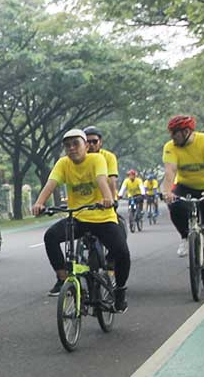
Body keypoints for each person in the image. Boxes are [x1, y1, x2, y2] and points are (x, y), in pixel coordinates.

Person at [31, 128, 130, 312]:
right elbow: (51, 184)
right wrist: (39, 203)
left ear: (86, 146)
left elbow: (102, 180)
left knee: (122, 252)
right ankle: (63, 280)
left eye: (76, 144)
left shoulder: (97, 159)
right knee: (50, 236)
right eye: (67, 145)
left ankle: (120, 291)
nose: (72, 148)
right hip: (78, 218)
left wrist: (108, 198)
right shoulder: (63, 163)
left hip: (102, 217)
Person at [162, 115, 204, 282]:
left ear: (186, 131)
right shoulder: (170, 147)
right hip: (185, 186)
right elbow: (170, 171)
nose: (172, 137)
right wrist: (167, 192)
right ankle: (185, 236)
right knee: (174, 204)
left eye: (174, 133)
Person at [83, 126, 119, 203]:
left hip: (104, 201)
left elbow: (112, 181)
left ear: (100, 142)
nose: (91, 144)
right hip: (85, 200)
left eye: (95, 141)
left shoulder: (109, 157)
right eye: (88, 142)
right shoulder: (78, 158)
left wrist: (112, 200)